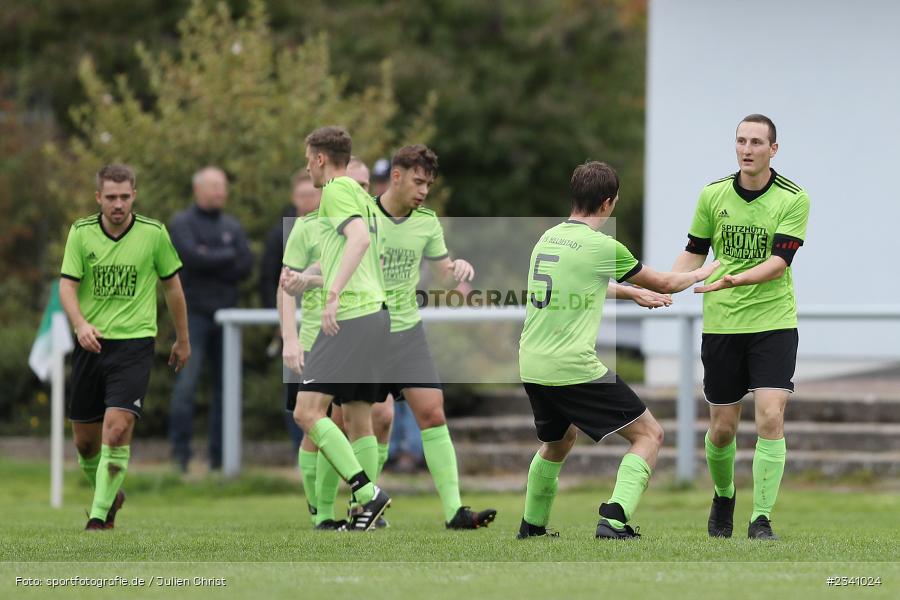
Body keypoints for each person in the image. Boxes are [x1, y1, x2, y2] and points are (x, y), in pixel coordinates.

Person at [516, 161, 717, 540]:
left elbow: (581, 281)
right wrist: (701, 272)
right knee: (650, 435)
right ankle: (614, 519)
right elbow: (665, 282)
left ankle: (532, 526)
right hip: (571, 366)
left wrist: (630, 292)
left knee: (558, 442)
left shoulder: (549, 238)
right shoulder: (601, 245)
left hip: (532, 363)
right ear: (608, 203)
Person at [674, 114, 810, 541]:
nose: (747, 149)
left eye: (756, 142)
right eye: (741, 141)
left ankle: (761, 519)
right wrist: (665, 284)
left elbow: (778, 263)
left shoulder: (793, 198)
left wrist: (735, 279)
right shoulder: (712, 194)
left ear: (773, 149)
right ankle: (724, 495)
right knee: (722, 429)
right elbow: (694, 252)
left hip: (773, 321)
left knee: (770, 416)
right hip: (722, 324)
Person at [59, 163, 190, 530]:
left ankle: (99, 517)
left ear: (134, 195)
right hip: (91, 345)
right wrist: (80, 325)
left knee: (116, 430)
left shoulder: (154, 233)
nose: (118, 204)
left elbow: (173, 288)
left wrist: (182, 338)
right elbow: (67, 286)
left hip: (134, 344)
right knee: (85, 444)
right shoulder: (81, 233)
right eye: (111, 197)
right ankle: (111, 493)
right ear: (98, 197)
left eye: (124, 197)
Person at [374, 144, 496, 529]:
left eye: (428, 184)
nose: (424, 191)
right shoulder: (363, 217)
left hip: (408, 332)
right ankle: (362, 506)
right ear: (396, 176)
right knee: (374, 420)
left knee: (432, 413)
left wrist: (459, 272)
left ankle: (455, 512)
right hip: (366, 332)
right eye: (418, 182)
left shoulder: (426, 222)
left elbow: (444, 275)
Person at [280, 161, 393, 530]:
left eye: (365, 185)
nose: (359, 191)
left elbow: (359, 272)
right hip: (315, 336)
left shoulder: (369, 223)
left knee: (356, 418)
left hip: (352, 326)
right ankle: (324, 513)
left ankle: (363, 506)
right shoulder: (308, 227)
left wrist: (315, 283)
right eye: (353, 183)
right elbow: (286, 284)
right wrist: (290, 338)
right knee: (317, 425)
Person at [167, 166, 253, 472]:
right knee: (186, 387)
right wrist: (225, 255)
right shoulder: (182, 223)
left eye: (223, 186)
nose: (220, 191)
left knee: (226, 390)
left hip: (228, 319)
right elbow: (190, 259)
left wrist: (210, 257)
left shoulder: (232, 225)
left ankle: (220, 460)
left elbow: (245, 265)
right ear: (197, 189)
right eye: (214, 185)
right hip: (194, 318)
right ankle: (180, 458)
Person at [263, 171, 322, 450]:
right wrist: (281, 324)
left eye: (312, 194)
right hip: (293, 319)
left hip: (325, 320)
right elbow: (272, 279)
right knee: (297, 399)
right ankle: (298, 449)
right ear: (293, 198)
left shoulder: (336, 229)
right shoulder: (281, 233)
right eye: (302, 195)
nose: (308, 200)